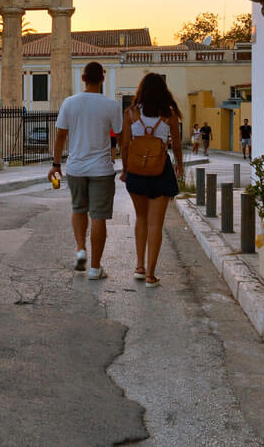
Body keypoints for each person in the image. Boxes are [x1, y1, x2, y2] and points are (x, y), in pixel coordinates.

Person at [48, 62, 122, 280]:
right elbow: (120, 137)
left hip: (76, 168)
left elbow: (60, 136)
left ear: (82, 79)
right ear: (103, 78)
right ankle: (95, 268)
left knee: (78, 209)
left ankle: (81, 249)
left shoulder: (69, 103)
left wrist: (55, 164)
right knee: (99, 217)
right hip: (101, 169)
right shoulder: (111, 106)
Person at [119, 73, 183, 287]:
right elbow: (176, 144)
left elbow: (125, 145)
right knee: (156, 223)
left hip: (136, 170)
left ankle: (139, 266)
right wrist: (180, 165)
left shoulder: (130, 113)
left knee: (141, 218)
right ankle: (151, 275)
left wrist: (124, 169)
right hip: (160, 170)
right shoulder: (169, 114)